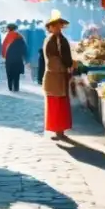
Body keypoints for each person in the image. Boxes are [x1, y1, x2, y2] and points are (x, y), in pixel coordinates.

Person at [41, 9, 74, 140]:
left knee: (61, 104)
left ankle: (60, 130)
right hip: (54, 75)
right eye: (54, 25)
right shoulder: (50, 40)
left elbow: (67, 57)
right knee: (55, 104)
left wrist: (69, 65)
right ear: (50, 27)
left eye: (59, 25)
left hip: (60, 76)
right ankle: (57, 129)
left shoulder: (62, 39)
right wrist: (66, 67)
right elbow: (52, 59)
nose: (57, 27)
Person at [1, 23, 27, 92]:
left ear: (8, 29)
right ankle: (16, 87)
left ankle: (10, 87)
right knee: (16, 74)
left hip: (9, 58)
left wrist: (4, 55)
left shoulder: (7, 36)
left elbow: (4, 47)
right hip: (18, 58)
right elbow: (24, 48)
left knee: (9, 73)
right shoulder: (20, 36)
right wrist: (23, 56)